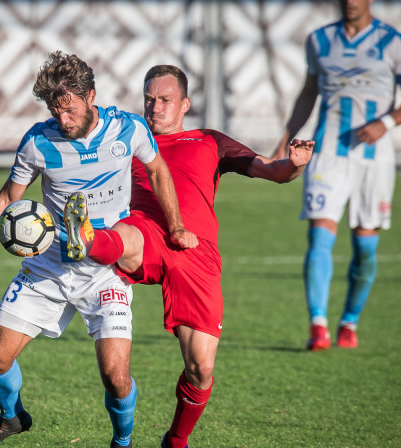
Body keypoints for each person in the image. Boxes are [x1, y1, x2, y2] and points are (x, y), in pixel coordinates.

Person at [66, 65, 314, 448]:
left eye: (164, 100)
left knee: (201, 368)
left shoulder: (209, 140)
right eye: (149, 99)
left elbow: (274, 171)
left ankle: (176, 441)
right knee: (125, 236)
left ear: (185, 104)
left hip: (196, 251)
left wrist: (294, 166)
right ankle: (87, 239)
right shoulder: (129, 138)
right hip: (148, 230)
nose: (155, 107)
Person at [0, 51, 196, 448]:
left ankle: (122, 442)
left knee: (116, 376)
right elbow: (7, 198)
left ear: (91, 97)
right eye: (56, 110)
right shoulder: (38, 141)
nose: (63, 119)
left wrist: (176, 227)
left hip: (106, 269)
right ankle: (11, 417)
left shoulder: (128, 130)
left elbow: (157, 170)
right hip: (49, 267)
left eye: (69, 109)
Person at [272, 0, 401, 351]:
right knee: (320, 234)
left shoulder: (393, 42)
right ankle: (318, 324)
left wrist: (385, 123)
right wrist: (285, 140)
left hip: (375, 159)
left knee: (364, 247)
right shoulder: (319, 40)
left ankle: (349, 321)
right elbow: (308, 93)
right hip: (327, 153)